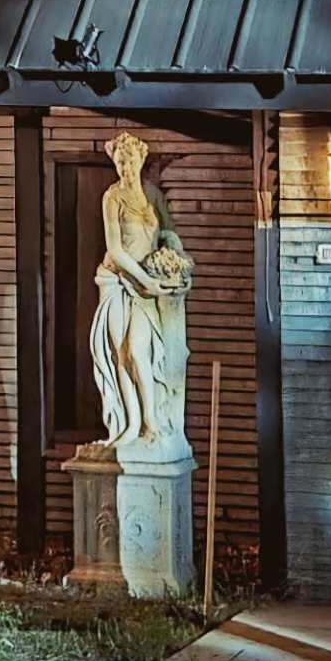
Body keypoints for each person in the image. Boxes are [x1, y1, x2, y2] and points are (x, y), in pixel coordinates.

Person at [86, 133, 196, 451]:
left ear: (141, 160)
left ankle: (152, 423)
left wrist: (178, 260)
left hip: (146, 285)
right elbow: (116, 250)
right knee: (120, 354)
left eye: (131, 160)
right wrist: (144, 281)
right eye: (120, 161)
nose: (126, 167)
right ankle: (131, 424)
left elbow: (169, 233)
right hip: (116, 280)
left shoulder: (153, 195)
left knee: (138, 351)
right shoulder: (112, 197)